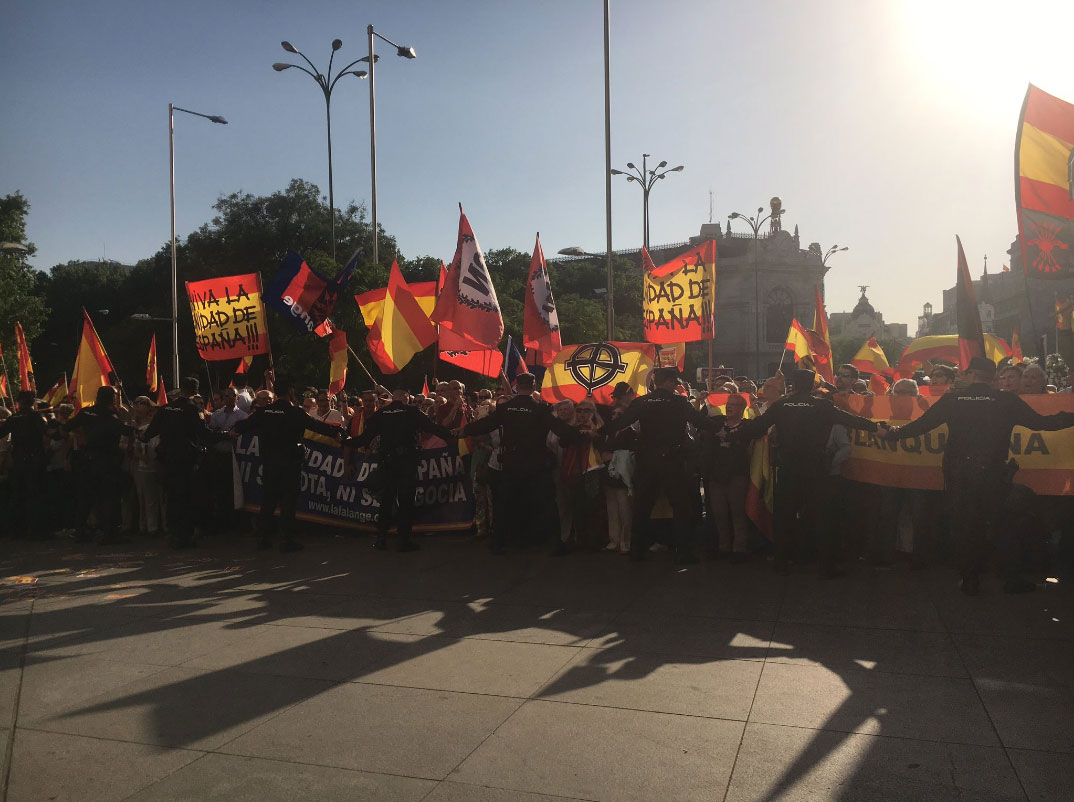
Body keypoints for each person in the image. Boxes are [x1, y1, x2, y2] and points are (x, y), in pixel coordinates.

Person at [880, 355, 1074, 594]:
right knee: (1002, 523)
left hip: (959, 472)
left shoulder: (954, 399)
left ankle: (970, 580)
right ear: (992, 377)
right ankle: (1011, 578)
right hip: (993, 473)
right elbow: (1043, 423)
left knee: (965, 526)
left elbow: (922, 425)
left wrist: (892, 433)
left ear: (971, 374)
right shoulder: (1005, 400)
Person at [731, 368, 880, 575]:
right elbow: (850, 419)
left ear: (793, 384)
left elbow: (757, 427)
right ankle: (825, 566)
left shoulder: (781, 406)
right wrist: (878, 428)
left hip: (788, 467)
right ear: (812, 386)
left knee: (784, 516)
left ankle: (781, 562)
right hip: (816, 468)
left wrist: (730, 434)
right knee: (822, 517)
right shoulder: (822, 405)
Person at [601, 367, 723, 564]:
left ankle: (637, 549)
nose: (676, 385)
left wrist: (600, 434)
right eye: (674, 382)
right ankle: (683, 551)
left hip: (647, 459)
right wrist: (722, 428)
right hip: (672, 460)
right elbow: (700, 422)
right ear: (667, 382)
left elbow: (622, 422)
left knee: (642, 505)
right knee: (681, 507)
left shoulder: (641, 402)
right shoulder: (679, 402)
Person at [463, 373, 578, 554]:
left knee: (505, 503)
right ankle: (556, 543)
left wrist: (463, 431)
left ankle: (499, 543)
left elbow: (484, 425)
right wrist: (580, 435)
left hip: (512, 463)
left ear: (517, 386)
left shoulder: (507, 408)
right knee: (548, 503)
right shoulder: (540, 409)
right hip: (537, 464)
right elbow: (560, 428)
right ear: (533, 387)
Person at [233, 374, 345, 552]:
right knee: (288, 502)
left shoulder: (264, 412)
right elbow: (317, 426)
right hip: (290, 463)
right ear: (290, 392)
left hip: (269, 462)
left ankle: (263, 538)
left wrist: (228, 431)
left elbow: (242, 425)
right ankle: (286, 540)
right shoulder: (295, 412)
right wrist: (338, 432)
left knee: (268, 500)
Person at [345, 386, 454, 552]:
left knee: (387, 501)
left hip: (387, 462)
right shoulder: (412, 412)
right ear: (406, 397)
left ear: (393, 398)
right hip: (406, 463)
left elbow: (365, 438)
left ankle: (381, 538)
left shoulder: (381, 414)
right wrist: (452, 435)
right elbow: (431, 427)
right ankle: (404, 540)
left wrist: (345, 441)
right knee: (405, 501)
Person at [146, 376, 207, 549]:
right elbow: (202, 433)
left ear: (181, 389)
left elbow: (150, 433)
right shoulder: (192, 409)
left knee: (171, 497)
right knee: (185, 498)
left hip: (166, 460)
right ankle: (183, 536)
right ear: (195, 392)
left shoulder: (165, 409)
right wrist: (225, 435)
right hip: (185, 461)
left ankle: (172, 533)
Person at [65, 386, 132, 544]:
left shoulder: (86, 412)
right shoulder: (110, 416)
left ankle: (80, 530)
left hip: (87, 460)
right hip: (107, 461)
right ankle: (109, 533)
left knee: (86, 497)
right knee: (109, 497)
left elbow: (69, 425)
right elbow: (123, 430)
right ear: (112, 399)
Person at [701, 392, 751, 560]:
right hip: (717, 475)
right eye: (729, 403)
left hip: (737, 475)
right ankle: (723, 546)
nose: (730, 406)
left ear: (742, 408)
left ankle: (739, 548)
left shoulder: (747, 426)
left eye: (735, 404)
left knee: (737, 512)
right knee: (719, 513)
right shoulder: (717, 423)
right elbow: (698, 420)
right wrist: (700, 400)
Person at [0, 390, 48, 539]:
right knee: (35, 495)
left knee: (17, 495)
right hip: (34, 459)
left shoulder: (13, 418)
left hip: (18, 460)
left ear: (19, 402)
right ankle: (36, 530)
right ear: (32, 401)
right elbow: (46, 432)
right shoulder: (36, 417)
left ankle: (16, 529)